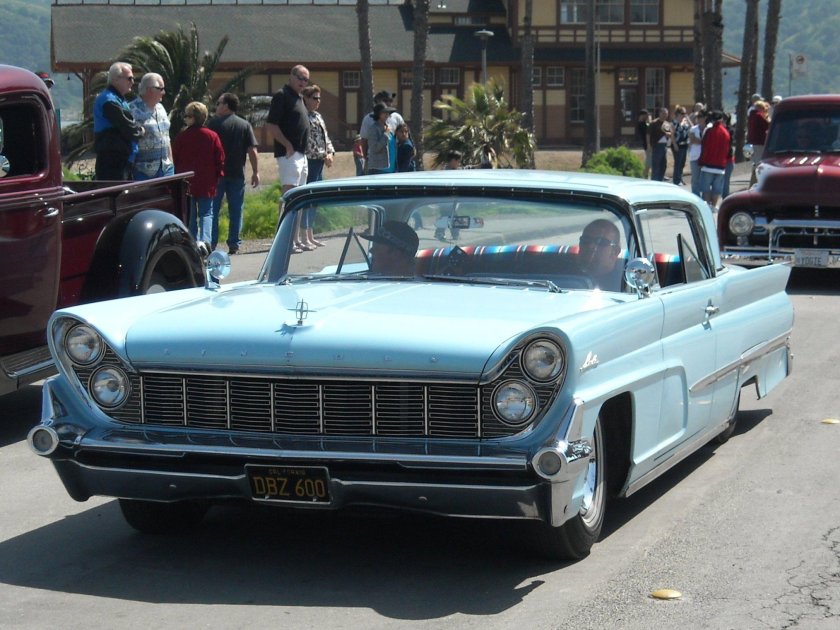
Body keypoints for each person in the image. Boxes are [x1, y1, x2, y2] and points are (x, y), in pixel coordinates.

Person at [207, 92, 260, 255]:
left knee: (212, 210)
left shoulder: (212, 125)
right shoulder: (244, 125)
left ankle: (212, 242)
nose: (217, 106)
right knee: (236, 210)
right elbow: (252, 150)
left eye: (219, 103)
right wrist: (256, 172)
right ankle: (234, 243)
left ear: (226, 106)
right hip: (237, 173)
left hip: (216, 174)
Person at [266, 65, 311, 252]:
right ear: (291, 76)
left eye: (306, 80)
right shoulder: (282, 96)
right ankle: (285, 240)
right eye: (300, 78)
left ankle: (296, 238)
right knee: (290, 197)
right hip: (289, 154)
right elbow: (271, 124)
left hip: (302, 154)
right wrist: (287, 144)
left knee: (299, 198)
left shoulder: (298, 98)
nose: (303, 82)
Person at [173, 101, 225, 247]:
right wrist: (218, 176)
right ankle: (206, 242)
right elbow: (219, 158)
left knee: (190, 216)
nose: (185, 118)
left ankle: (192, 243)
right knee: (207, 213)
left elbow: (175, 158)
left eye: (188, 115)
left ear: (193, 117)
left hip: (187, 182)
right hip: (207, 182)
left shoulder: (182, 137)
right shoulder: (212, 136)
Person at [93, 61, 144, 180]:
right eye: (129, 78)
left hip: (123, 159)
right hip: (112, 160)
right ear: (116, 79)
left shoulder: (119, 99)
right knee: (114, 196)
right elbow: (129, 128)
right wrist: (141, 131)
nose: (132, 82)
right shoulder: (109, 100)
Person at [301, 84, 335, 248]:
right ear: (306, 99)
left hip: (320, 161)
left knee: (316, 199)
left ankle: (310, 234)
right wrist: (323, 154)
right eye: (314, 98)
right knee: (308, 198)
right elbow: (309, 142)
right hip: (310, 160)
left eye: (319, 98)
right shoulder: (303, 117)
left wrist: (330, 153)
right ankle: (303, 235)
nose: (318, 101)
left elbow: (325, 137)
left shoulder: (318, 116)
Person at [129, 73, 173, 181]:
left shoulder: (161, 108)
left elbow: (166, 136)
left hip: (166, 169)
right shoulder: (132, 109)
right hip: (143, 171)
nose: (164, 92)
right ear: (150, 89)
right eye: (161, 89)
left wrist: (171, 162)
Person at [359, 90, 404, 173]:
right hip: (377, 165)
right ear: (378, 101)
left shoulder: (397, 118)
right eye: (385, 100)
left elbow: (404, 136)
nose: (389, 102)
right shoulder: (368, 120)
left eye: (390, 100)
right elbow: (364, 141)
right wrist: (366, 158)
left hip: (393, 164)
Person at [575, 219, 624, 291]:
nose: (591, 246)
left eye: (601, 242)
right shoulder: (564, 270)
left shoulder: (624, 284)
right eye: (586, 240)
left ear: (615, 251)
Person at [697, 110, 730, 207]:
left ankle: (707, 206)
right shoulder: (725, 132)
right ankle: (714, 206)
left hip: (708, 165)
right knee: (717, 189)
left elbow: (705, 146)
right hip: (720, 165)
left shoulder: (709, 130)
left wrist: (701, 161)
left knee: (705, 188)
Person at [363, 102, 395, 175]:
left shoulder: (389, 127)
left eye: (388, 112)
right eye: (384, 112)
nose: (387, 114)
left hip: (391, 167)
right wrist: (386, 135)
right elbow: (374, 148)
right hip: (377, 168)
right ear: (378, 114)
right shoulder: (373, 129)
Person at [747, 99, 770, 185]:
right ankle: (757, 183)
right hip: (759, 143)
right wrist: (767, 117)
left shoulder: (751, 116)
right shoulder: (759, 116)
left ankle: (753, 182)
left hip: (753, 143)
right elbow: (768, 124)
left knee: (755, 164)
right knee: (759, 164)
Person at [649, 107, 672, 182]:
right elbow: (648, 135)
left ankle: (660, 180)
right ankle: (654, 181)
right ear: (659, 113)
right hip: (656, 145)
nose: (665, 115)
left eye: (666, 114)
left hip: (664, 146)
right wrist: (649, 145)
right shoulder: (653, 123)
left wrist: (669, 134)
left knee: (663, 165)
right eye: (663, 113)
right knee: (656, 165)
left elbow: (670, 132)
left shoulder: (667, 124)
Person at [688, 110, 707, 197]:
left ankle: (704, 198)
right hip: (695, 157)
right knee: (695, 179)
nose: (699, 119)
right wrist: (703, 141)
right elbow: (692, 140)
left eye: (701, 117)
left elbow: (708, 142)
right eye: (698, 117)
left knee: (704, 180)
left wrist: (698, 140)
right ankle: (696, 197)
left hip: (706, 157)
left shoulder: (708, 129)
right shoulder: (693, 129)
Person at [671, 105, 690, 186]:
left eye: (685, 113)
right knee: (678, 162)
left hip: (684, 145)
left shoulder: (685, 122)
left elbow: (691, 128)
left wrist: (688, 119)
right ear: (678, 114)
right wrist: (674, 144)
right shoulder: (674, 123)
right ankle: (676, 180)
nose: (684, 115)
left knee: (682, 163)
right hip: (677, 145)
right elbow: (672, 134)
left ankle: (680, 178)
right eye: (682, 113)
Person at [636, 109, 651, 179]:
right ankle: (645, 175)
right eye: (646, 115)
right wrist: (649, 122)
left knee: (650, 159)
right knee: (649, 160)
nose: (647, 116)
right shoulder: (641, 124)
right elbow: (648, 131)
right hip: (646, 144)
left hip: (649, 144)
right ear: (642, 115)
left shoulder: (645, 123)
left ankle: (646, 174)